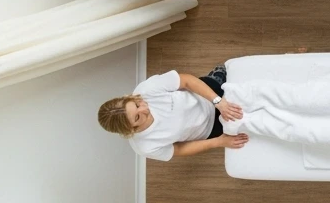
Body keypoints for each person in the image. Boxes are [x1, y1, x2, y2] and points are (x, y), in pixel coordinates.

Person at [98, 66, 248, 161]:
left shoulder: (146, 90)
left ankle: (216, 75)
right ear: (130, 130)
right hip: (210, 130)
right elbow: (179, 149)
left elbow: (186, 81)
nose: (144, 109)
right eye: (137, 117)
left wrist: (219, 102)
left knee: (237, 86)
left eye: (137, 105)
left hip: (207, 95)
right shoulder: (145, 146)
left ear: (128, 98)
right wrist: (219, 142)